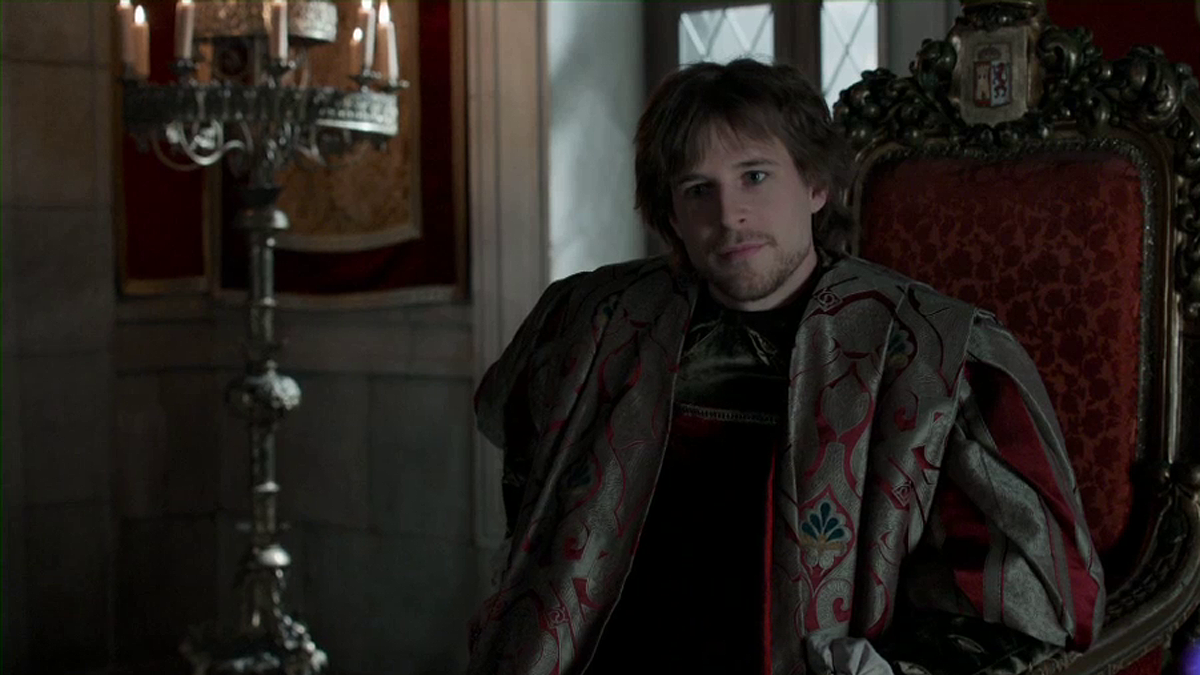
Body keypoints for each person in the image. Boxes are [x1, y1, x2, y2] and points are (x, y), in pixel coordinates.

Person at [466, 59, 1104, 675]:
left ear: (816, 186)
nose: (729, 216)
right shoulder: (591, 322)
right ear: (671, 217)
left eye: (755, 176)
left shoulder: (935, 354)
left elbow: (1028, 595)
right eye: (698, 190)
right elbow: (527, 475)